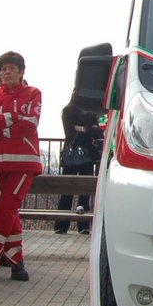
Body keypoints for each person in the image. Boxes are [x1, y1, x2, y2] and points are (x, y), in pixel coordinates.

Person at [0, 50, 41, 283]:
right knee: (7, 211)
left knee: (7, 208)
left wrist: (0, 124)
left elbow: (30, 124)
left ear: (21, 71)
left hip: (24, 161)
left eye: (11, 68)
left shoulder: (34, 93)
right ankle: (16, 262)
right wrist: (11, 121)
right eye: (3, 69)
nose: (6, 73)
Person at [56, 93, 99, 236]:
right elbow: (71, 131)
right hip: (81, 153)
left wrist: (82, 129)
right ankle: (78, 225)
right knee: (71, 190)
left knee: (80, 191)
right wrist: (88, 128)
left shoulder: (72, 111)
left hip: (78, 154)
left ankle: (63, 225)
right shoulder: (72, 111)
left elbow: (96, 131)